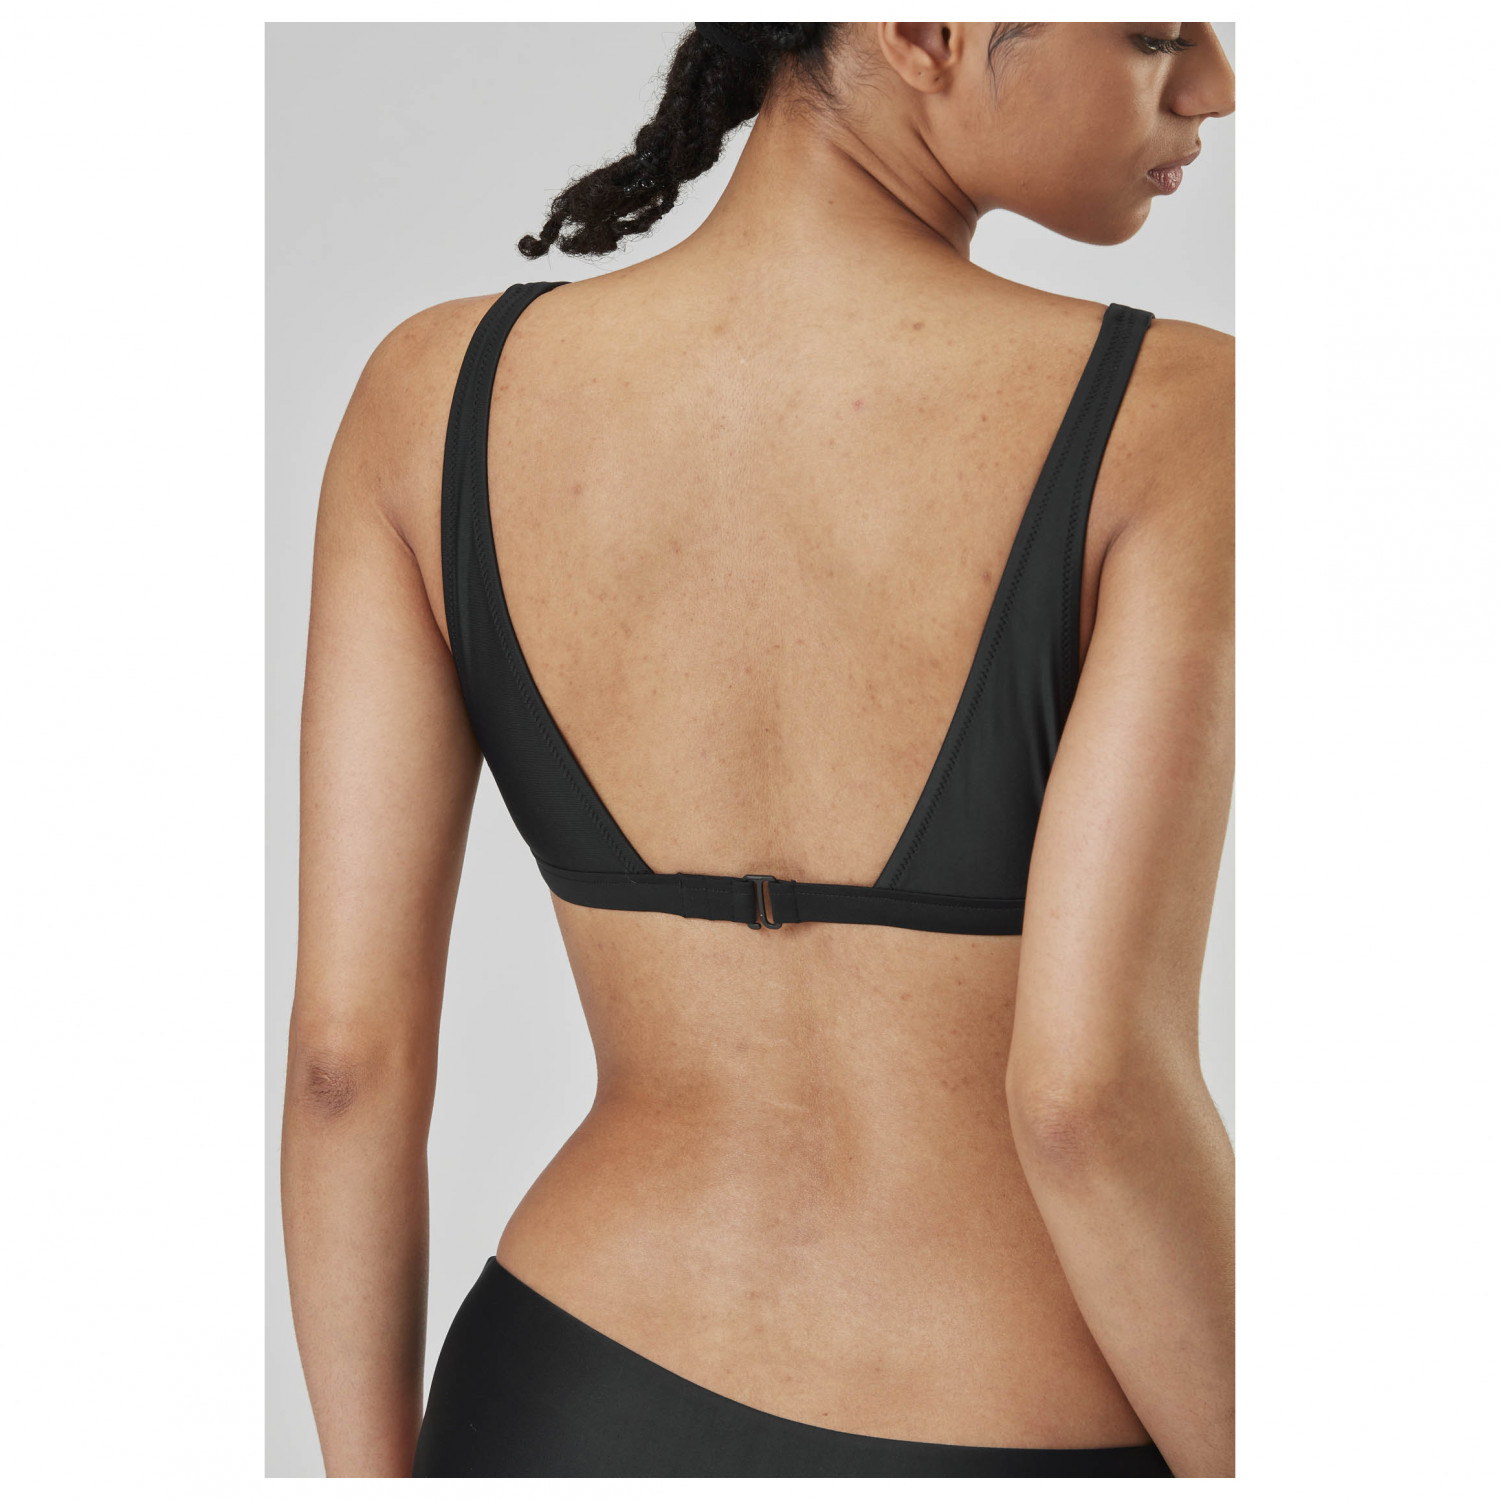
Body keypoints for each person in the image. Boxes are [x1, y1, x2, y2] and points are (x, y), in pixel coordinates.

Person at [282, 20, 1236, 1478]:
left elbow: (344, 1067)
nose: (1215, 83)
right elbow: (1086, 1102)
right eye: (1155, 32)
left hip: (556, 1394)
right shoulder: (1183, 421)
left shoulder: (434, 392)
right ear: (924, 31)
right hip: (1005, 1420)